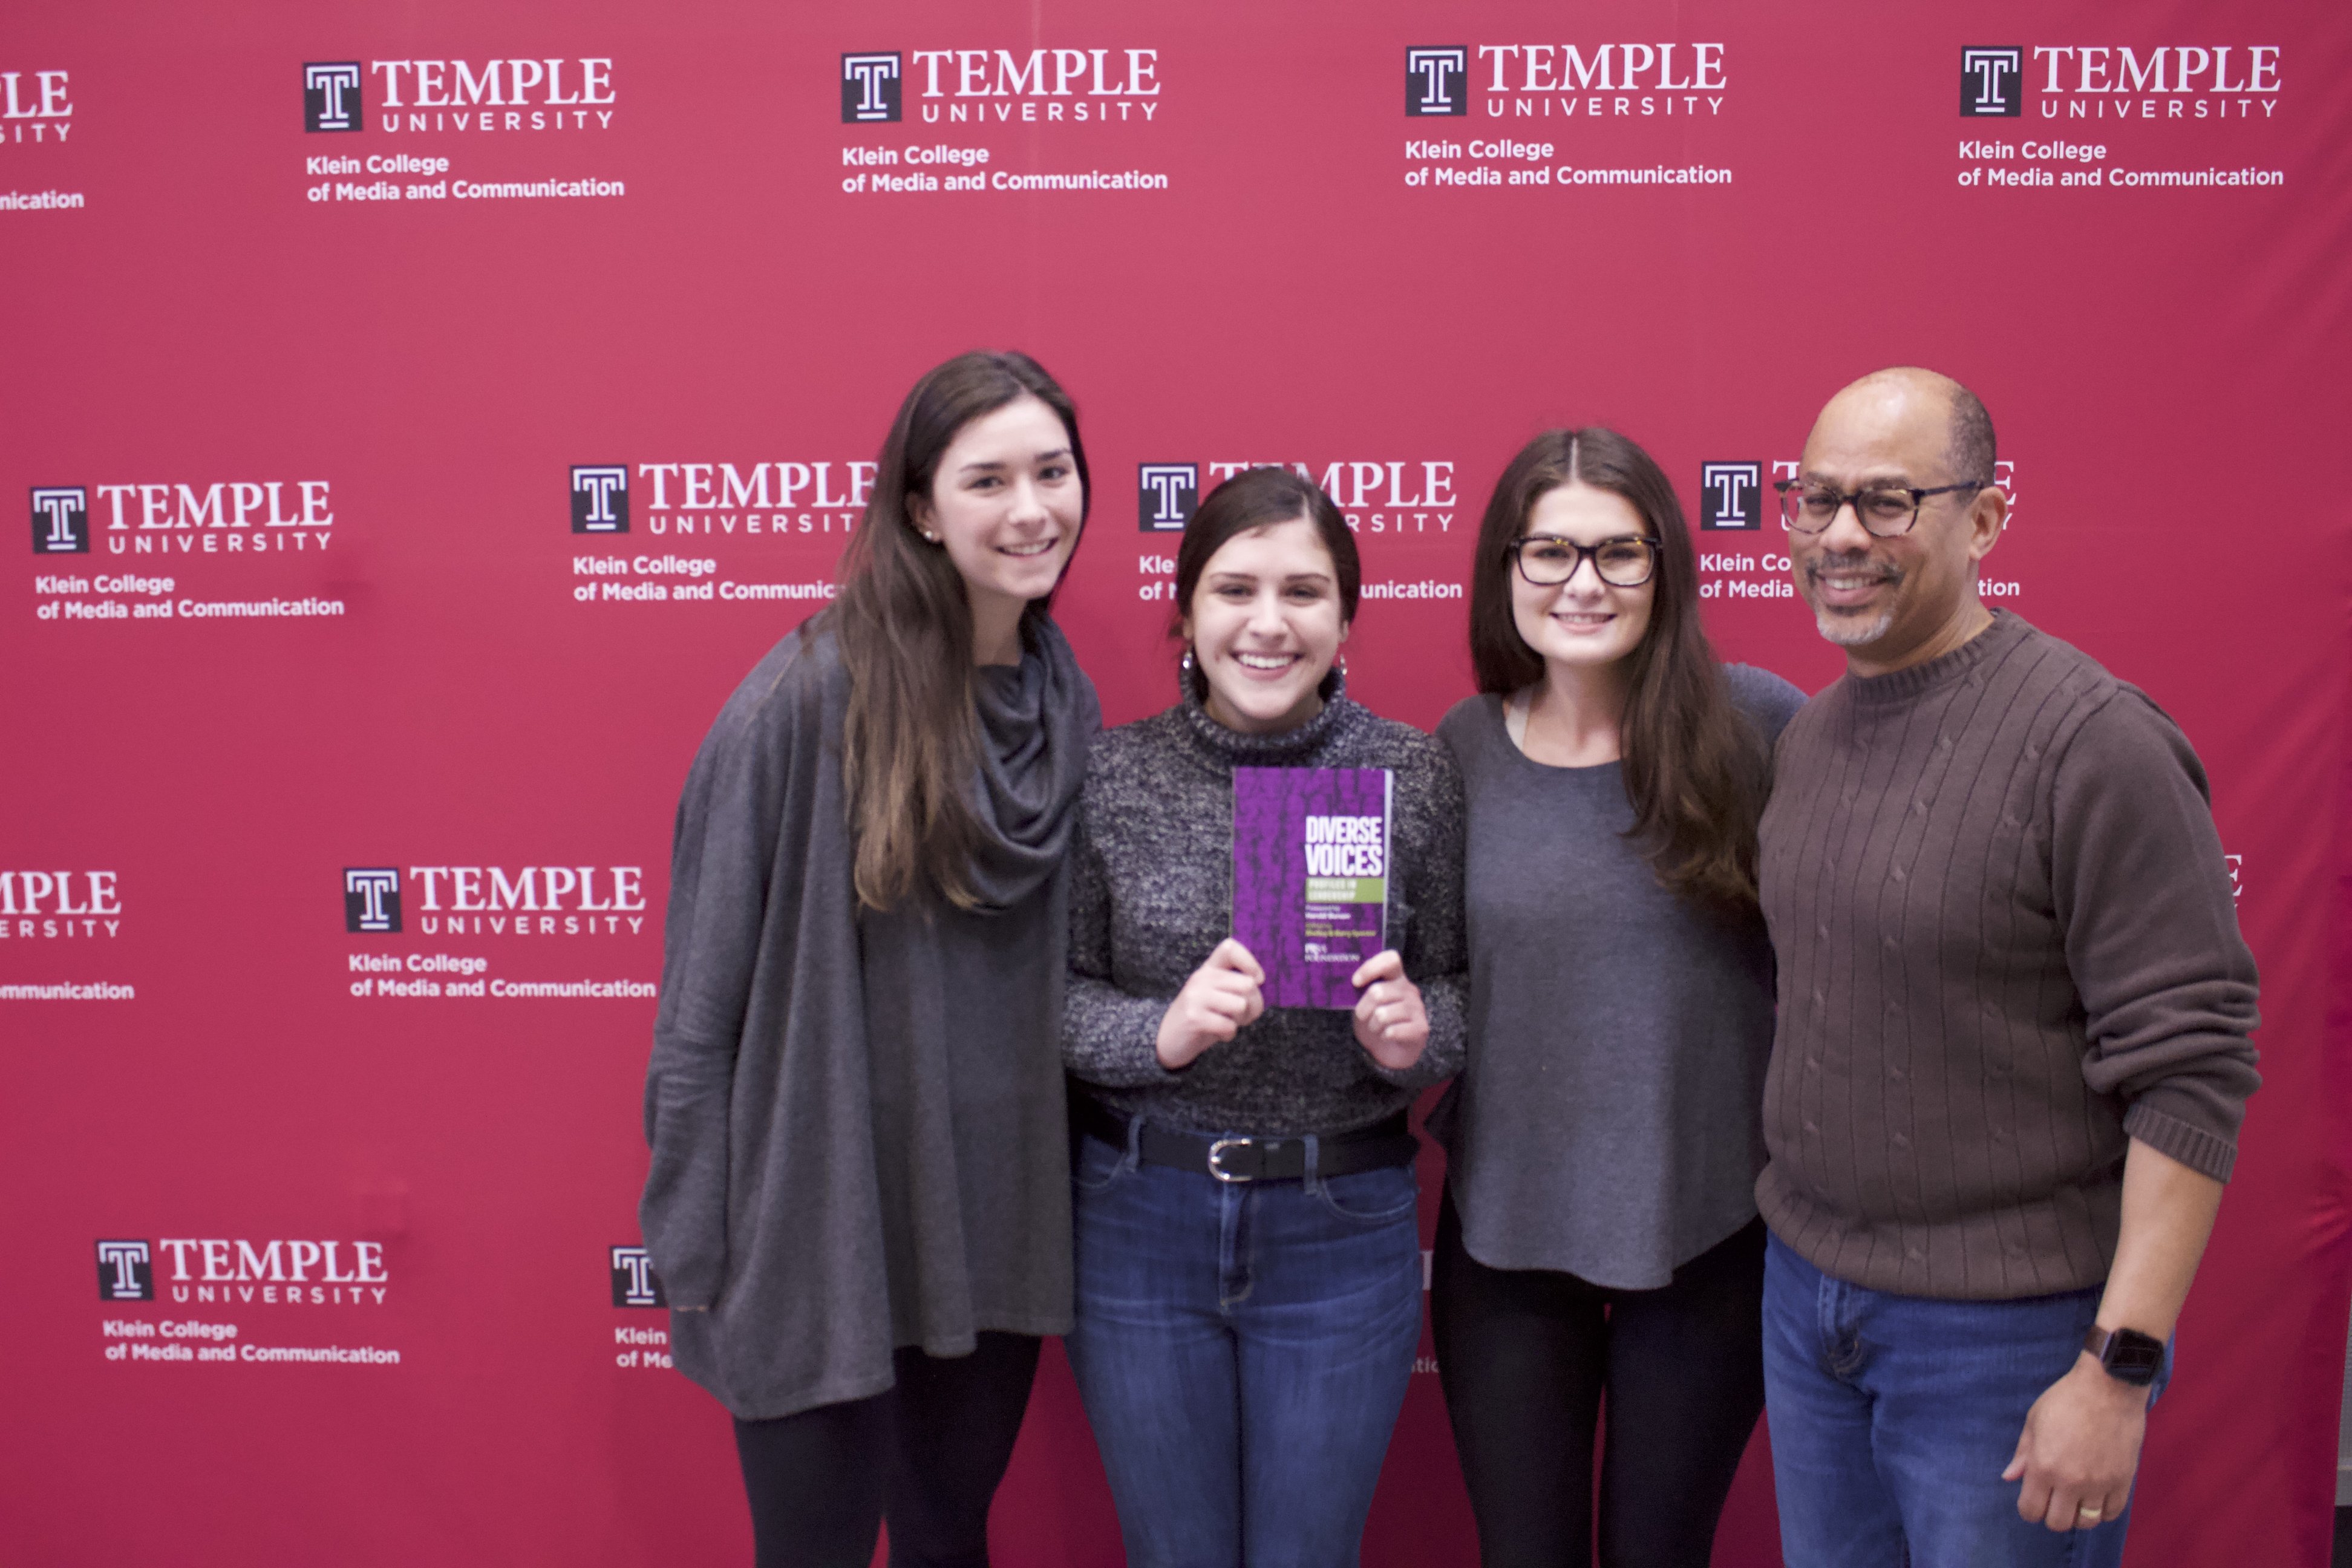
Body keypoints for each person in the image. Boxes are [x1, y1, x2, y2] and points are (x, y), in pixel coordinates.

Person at [1756, 367, 2260, 1567]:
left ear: (1983, 520)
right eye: (1815, 498)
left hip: (2005, 1343)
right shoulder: (1811, 737)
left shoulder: (2095, 745)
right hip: (1809, 1310)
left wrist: (2117, 1369)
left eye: (1887, 502)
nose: (1838, 536)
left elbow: (2191, 1078)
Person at [637, 350, 1101, 1568]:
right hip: (819, 1226)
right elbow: (701, 1008)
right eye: (987, 479)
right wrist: (695, 1247)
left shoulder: (1067, 703)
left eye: (1052, 472)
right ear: (920, 511)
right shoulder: (807, 696)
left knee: (951, 1538)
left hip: (995, 1221)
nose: (1030, 509)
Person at [1061, 465, 1466, 1568]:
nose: (1269, 624)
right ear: (1187, 613)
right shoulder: (1109, 775)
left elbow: (1466, 992)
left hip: (1340, 1223)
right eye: (1236, 590)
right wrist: (1160, 1033)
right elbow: (1050, 1005)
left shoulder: (1413, 772)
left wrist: (1417, 1033)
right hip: (1139, 1216)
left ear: (1346, 619)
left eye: (1305, 593)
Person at [1425, 428, 1803, 1567]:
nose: (1582, 585)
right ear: (1506, 570)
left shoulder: (1759, 726)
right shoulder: (1458, 750)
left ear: (1665, 568)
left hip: (1710, 1229)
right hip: (1505, 1237)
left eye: (1617, 554)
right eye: (1550, 553)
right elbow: (1437, 982)